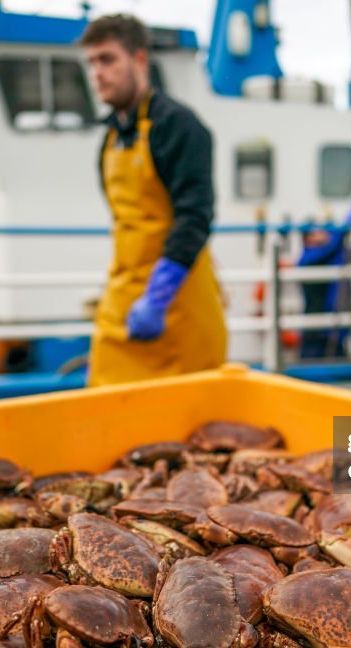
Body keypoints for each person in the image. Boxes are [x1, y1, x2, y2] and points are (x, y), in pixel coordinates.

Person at [80, 15, 227, 386]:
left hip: (178, 305)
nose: (97, 72)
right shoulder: (110, 138)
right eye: (92, 62)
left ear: (140, 60)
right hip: (124, 304)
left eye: (108, 59)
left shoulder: (179, 126)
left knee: (188, 427)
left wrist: (159, 296)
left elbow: (195, 216)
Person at [297, 182, 351, 359]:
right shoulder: (307, 259)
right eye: (317, 231)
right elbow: (338, 239)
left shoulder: (334, 255)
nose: (325, 232)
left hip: (336, 334)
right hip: (315, 336)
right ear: (307, 238)